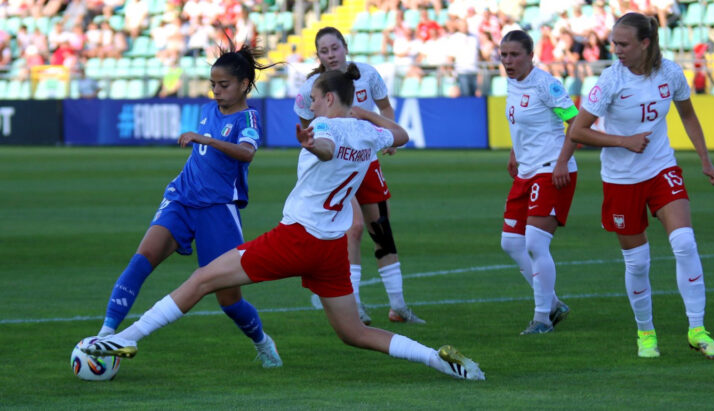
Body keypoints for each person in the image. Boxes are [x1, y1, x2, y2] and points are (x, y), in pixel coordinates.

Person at [82, 64, 486, 381]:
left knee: (203, 279)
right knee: (354, 333)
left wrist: (316, 144)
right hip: (331, 248)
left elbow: (327, 146)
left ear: (329, 98)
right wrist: (362, 114)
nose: (310, 105)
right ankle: (437, 359)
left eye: (315, 98)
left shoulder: (323, 127)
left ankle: (124, 339)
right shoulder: (367, 133)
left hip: (297, 238)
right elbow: (400, 135)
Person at [94, 41, 284, 368]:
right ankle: (105, 335)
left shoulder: (249, 118)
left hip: (218, 209)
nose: (216, 91)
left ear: (243, 84)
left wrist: (206, 139)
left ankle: (262, 341)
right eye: (213, 84)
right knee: (142, 259)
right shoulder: (208, 110)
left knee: (229, 301)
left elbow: (247, 153)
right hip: (181, 197)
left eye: (223, 85)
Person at [569, 13, 714, 359]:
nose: (616, 49)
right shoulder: (610, 80)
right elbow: (578, 131)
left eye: (623, 44)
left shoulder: (670, 72)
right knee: (637, 263)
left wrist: (705, 160)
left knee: (684, 243)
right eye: (614, 43)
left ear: (645, 43)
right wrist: (623, 141)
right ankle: (646, 333)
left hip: (661, 169)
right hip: (621, 180)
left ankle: (697, 329)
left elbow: (687, 115)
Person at [294, 27, 424, 325]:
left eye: (335, 48)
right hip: (336, 166)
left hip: (366, 161)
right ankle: (354, 305)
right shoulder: (311, 87)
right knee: (353, 229)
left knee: (381, 230)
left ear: (345, 47)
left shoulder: (367, 74)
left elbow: (386, 107)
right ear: (318, 56)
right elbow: (307, 123)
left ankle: (398, 306)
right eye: (324, 51)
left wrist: (385, 135)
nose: (330, 55)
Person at [498, 30, 578, 335]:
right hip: (527, 170)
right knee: (510, 242)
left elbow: (576, 123)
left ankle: (543, 319)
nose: (508, 61)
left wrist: (562, 162)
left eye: (514, 55)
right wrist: (514, 152)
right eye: (504, 55)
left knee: (534, 242)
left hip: (552, 169)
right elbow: (522, 123)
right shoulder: (512, 83)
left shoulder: (546, 85)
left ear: (531, 56)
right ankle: (553, 303)